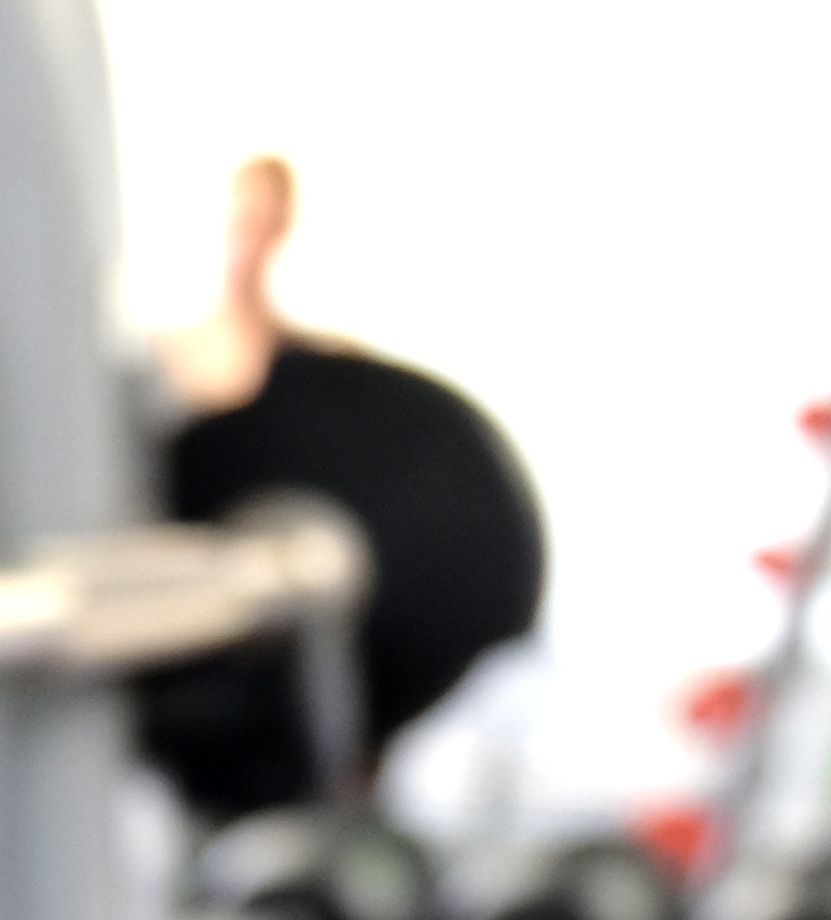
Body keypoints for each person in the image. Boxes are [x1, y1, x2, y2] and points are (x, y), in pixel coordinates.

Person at [136, 156, 545, 821]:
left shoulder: (327, 372)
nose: (252, 236)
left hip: (321, 706)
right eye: (244, 218)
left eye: (268, 219)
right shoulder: (169, 362)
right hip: (182, 689)